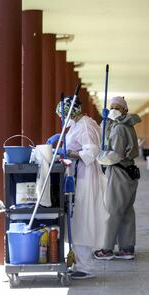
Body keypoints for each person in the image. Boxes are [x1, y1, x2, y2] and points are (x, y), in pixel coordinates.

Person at [46, 96, 108, 279]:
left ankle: (85, 266)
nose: (62, 119)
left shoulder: (86, 126)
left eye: (63, 115)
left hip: (85, 177)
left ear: (71, 112)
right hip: (77, 176)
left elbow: (91, 152)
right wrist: (63, 142)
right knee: (77, 220)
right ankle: (80, 262)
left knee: (83, 220)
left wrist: (67, 152)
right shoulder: (77, 124)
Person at [94, 96, 141, 260]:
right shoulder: (124, 125)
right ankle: (127, 248)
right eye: (111, 106)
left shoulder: (120, 128)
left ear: (125, 110)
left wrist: (98, 157)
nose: (114, 109)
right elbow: (107, 136)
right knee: (126, 211)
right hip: (128, 171)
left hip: (118, 171)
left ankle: (106, 249)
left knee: (112, 210)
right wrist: (105, 121)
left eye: (117, 107)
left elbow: (115, 154)